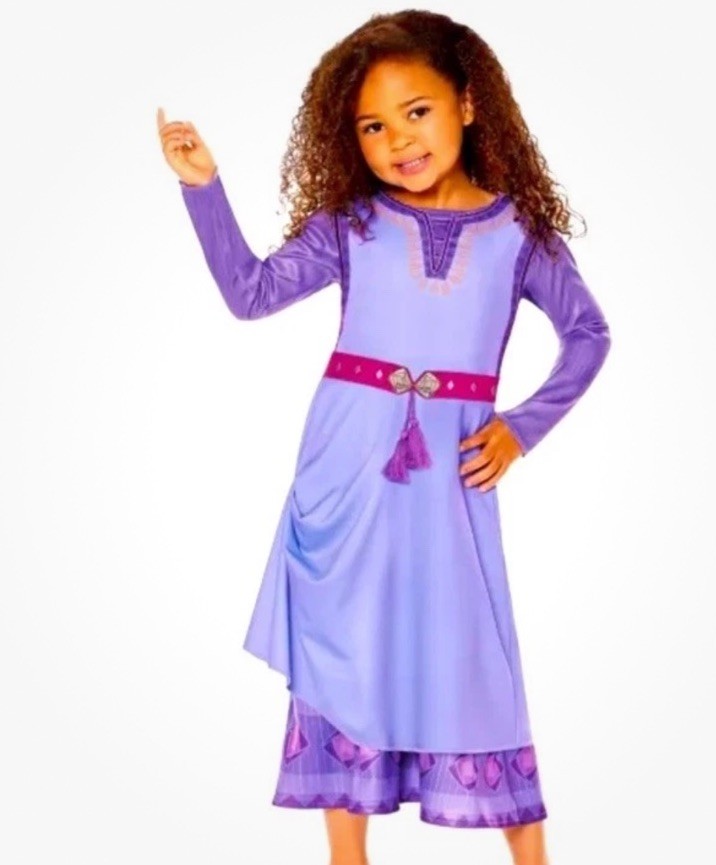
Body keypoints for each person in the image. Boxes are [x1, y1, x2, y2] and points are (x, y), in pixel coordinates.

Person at [158, 9, 611, 865]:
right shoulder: (351, 224)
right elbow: (251, 293)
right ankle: (347, 855)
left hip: (454, 471)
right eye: (371, 125)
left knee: (471, 651)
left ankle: (531, 855)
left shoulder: (520, 235)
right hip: (348, 462)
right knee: (347, 643)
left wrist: (521, 427)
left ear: (468, 104)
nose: (397, 139)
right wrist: (203, 187)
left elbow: (588, 334)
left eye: (417, 111)